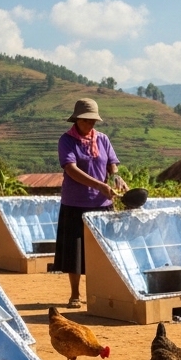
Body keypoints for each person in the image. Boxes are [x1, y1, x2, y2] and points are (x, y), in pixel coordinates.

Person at [55, 98, 122, 308]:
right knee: (75, 252)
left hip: (102, 204)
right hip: (75, 203)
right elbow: (71, 169)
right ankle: (75, 294)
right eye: (87, 121)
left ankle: (103, 292)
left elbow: (112, 164)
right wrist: (99, 185)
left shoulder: (102, 139)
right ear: (77, 119)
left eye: (93, 121)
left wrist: (116, 178)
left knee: (105, 250)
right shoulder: (66, 141)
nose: (91, 124)